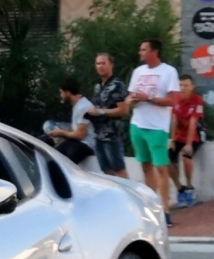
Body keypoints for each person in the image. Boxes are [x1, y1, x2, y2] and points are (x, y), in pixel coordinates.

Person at [126, 38, 182, 219]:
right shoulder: (138, 71)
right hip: (138, 124)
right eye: (140, 50)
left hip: (157, 127)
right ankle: (151, 205)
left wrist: (148, 98)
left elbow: (173, 100)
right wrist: (132, 100)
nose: (140, 53)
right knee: (145, 165)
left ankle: (165, 209)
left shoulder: (169, 71)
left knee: (161, 167)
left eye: (144, 50)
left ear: (154, 51)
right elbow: (130, 97)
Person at [88, 52, 131, 179]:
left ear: (111, 65)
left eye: (103, 63)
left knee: (119, 169)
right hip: (98, 133)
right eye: (98, 63)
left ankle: (129, 196)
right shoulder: (98, 86)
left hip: (112, 134)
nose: (100, 66)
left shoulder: (117, 85)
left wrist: (101, 112)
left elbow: (124, 110)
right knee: (106, 170)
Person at [169, 74, 207, 209]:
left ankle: (190, 187)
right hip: (179, 136)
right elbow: (174, 121)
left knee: (186, 157)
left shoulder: (197, 100)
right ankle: (180, 189)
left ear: (192, 87)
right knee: (166, 160)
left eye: (185, 85)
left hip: (194, 136)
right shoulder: (176, 99)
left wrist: (189, 144)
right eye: (180, 85)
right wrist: (172, 140)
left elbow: (193, 123)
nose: (183, 88)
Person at [43, 74, 97, 165]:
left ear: (67, 93)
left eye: (61, 92)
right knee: (53, 157)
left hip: (86, 144)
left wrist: (61, 133)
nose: (60, 96)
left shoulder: (83, 107)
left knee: (60, 166)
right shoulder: (78, 105)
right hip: (78, 142)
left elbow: (80, 135)